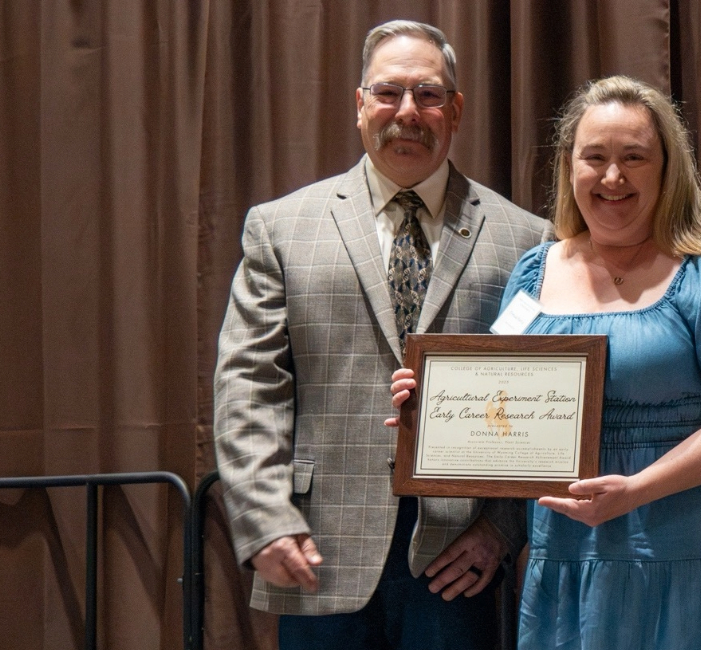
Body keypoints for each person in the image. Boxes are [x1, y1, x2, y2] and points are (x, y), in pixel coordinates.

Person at [390, 75, 701, 649]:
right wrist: (431, 411)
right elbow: (504, 408)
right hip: (566, 559)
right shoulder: (532, 274)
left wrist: (636, 489)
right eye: (596, 157)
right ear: (569, 166)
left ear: (667, 167)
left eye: (634, 157)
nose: (613, 176)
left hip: (688, 556)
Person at [213, 20, 551, 650]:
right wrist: (263, 521)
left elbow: (545, 407)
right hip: (319, 547)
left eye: (427, 94)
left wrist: (502, 531)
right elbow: (248, 384)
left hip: (459, 559)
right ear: (360, 105)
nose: (408, 112)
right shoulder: (281, 229)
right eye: (389, 93)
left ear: (455, 110)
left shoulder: (525, 239)